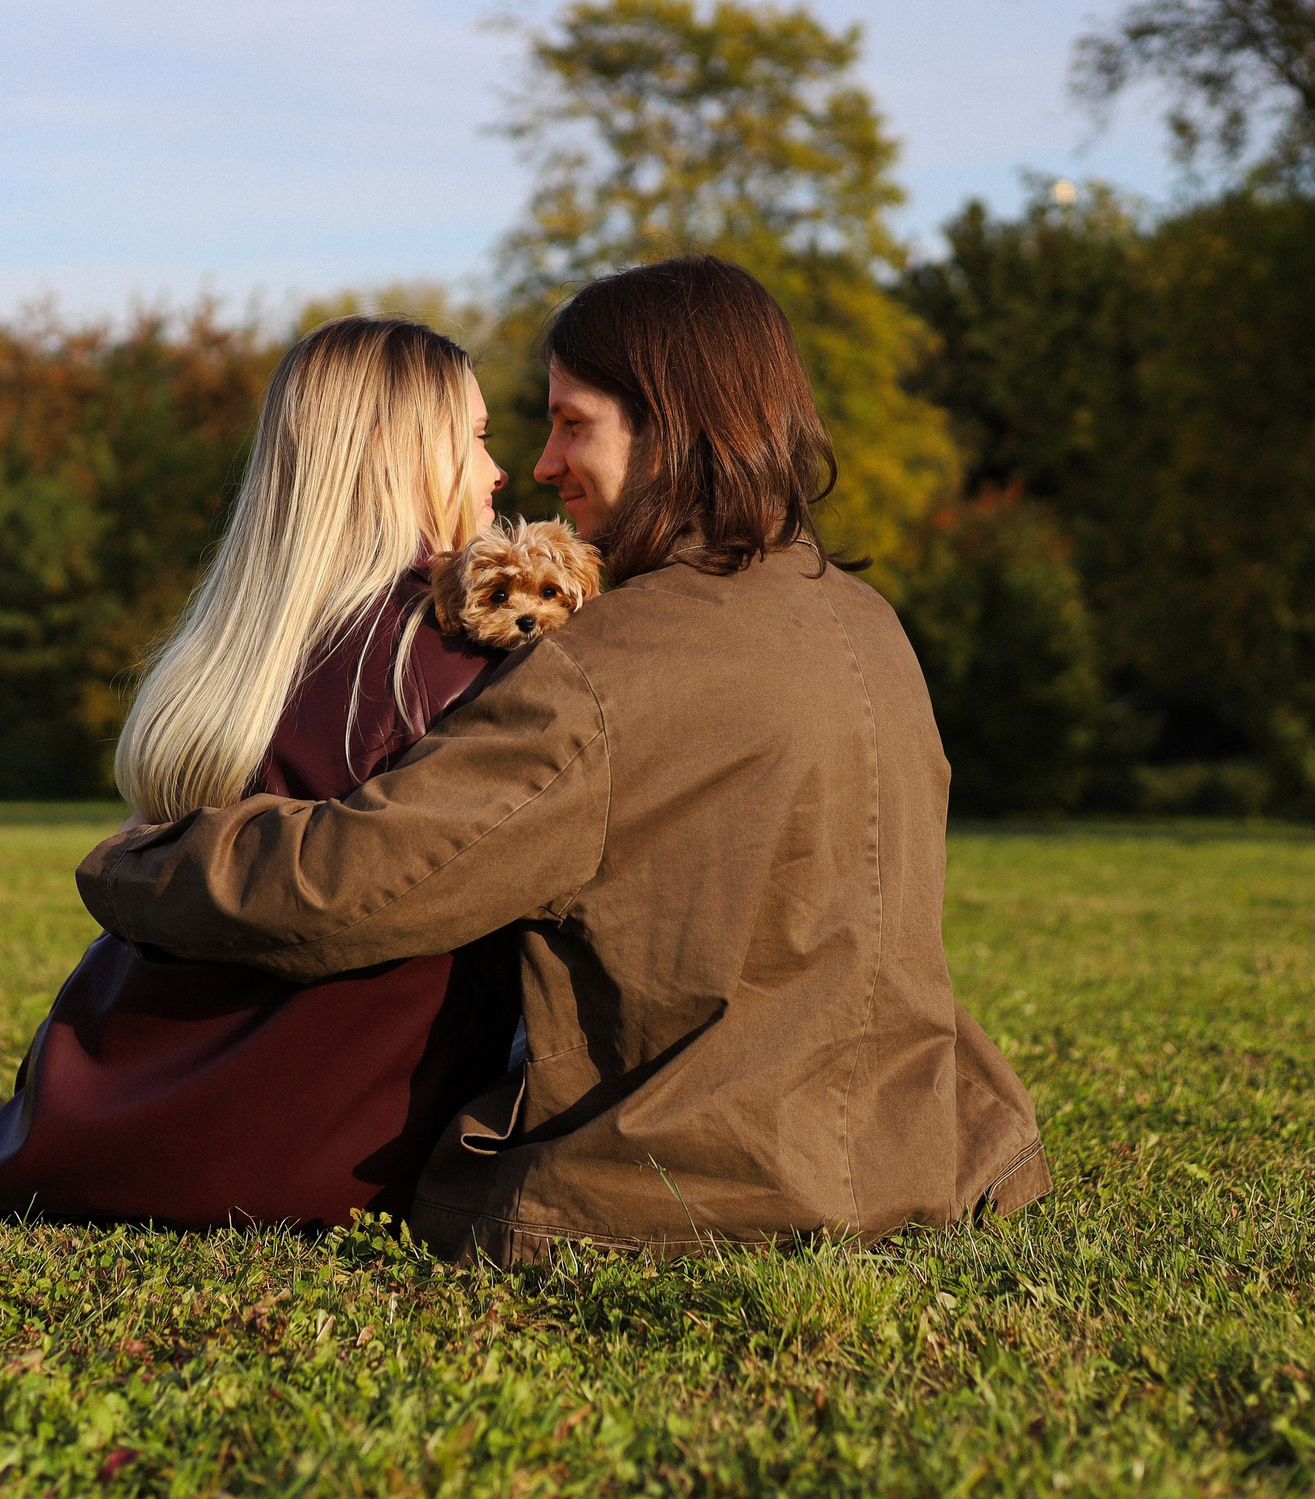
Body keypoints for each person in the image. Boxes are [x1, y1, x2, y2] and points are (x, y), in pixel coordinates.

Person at [79, 256, 1050, 1262]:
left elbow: (351, 888)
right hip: (923, 1154)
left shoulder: (605, 666)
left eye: (572, 423)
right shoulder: (866, 621)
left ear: (675, 429)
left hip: (680, 1184)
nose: (540, 465)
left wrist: (142, 862)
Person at [0, 316, 518, 1225]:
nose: (499, 470)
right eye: (478, 438)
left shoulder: (246, 645)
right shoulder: (460, 647)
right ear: (399, 449)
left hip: (112, 1109)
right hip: (336, 1151)